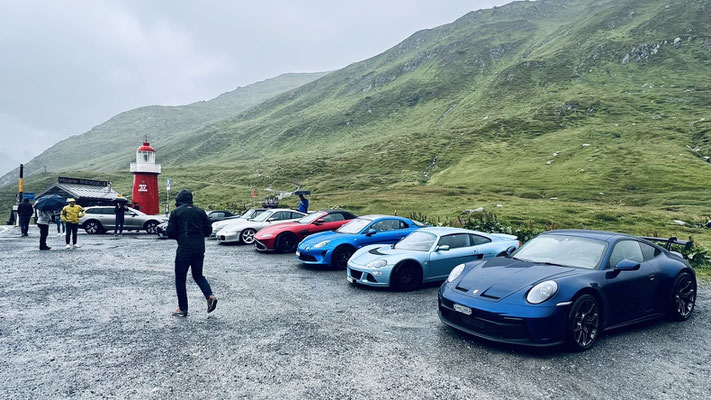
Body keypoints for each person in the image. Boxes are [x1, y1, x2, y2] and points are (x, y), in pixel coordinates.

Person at [166, 189, 217, 317]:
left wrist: (180, 235)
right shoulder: (200, 211)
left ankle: (183, 309)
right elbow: (208, 231)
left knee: (180, 279)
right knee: (198, 275)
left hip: (184, 249)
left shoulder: (176, 212)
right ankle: (209, 296)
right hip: (199, 249)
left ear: (179, 200)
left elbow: (170, 232)